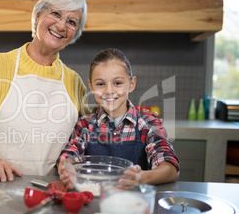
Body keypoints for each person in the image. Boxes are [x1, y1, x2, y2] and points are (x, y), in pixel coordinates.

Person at [0, 0, 90, 182]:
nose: (61, 26)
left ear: (75, 33)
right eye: (56, 14)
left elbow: (83, 136)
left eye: (71, 22)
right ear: (38, 16)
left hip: (52, 191)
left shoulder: (74, 81)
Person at [57, 48, 179, 186]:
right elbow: (69, 155)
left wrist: (141, 178)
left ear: (131, 84)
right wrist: (66, 167)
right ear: (91, 86)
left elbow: (169, 169)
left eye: (118, 83)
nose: (109, 91)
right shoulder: (85, 125)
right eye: (100, 84)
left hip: (133, 202)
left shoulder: (147, 123)